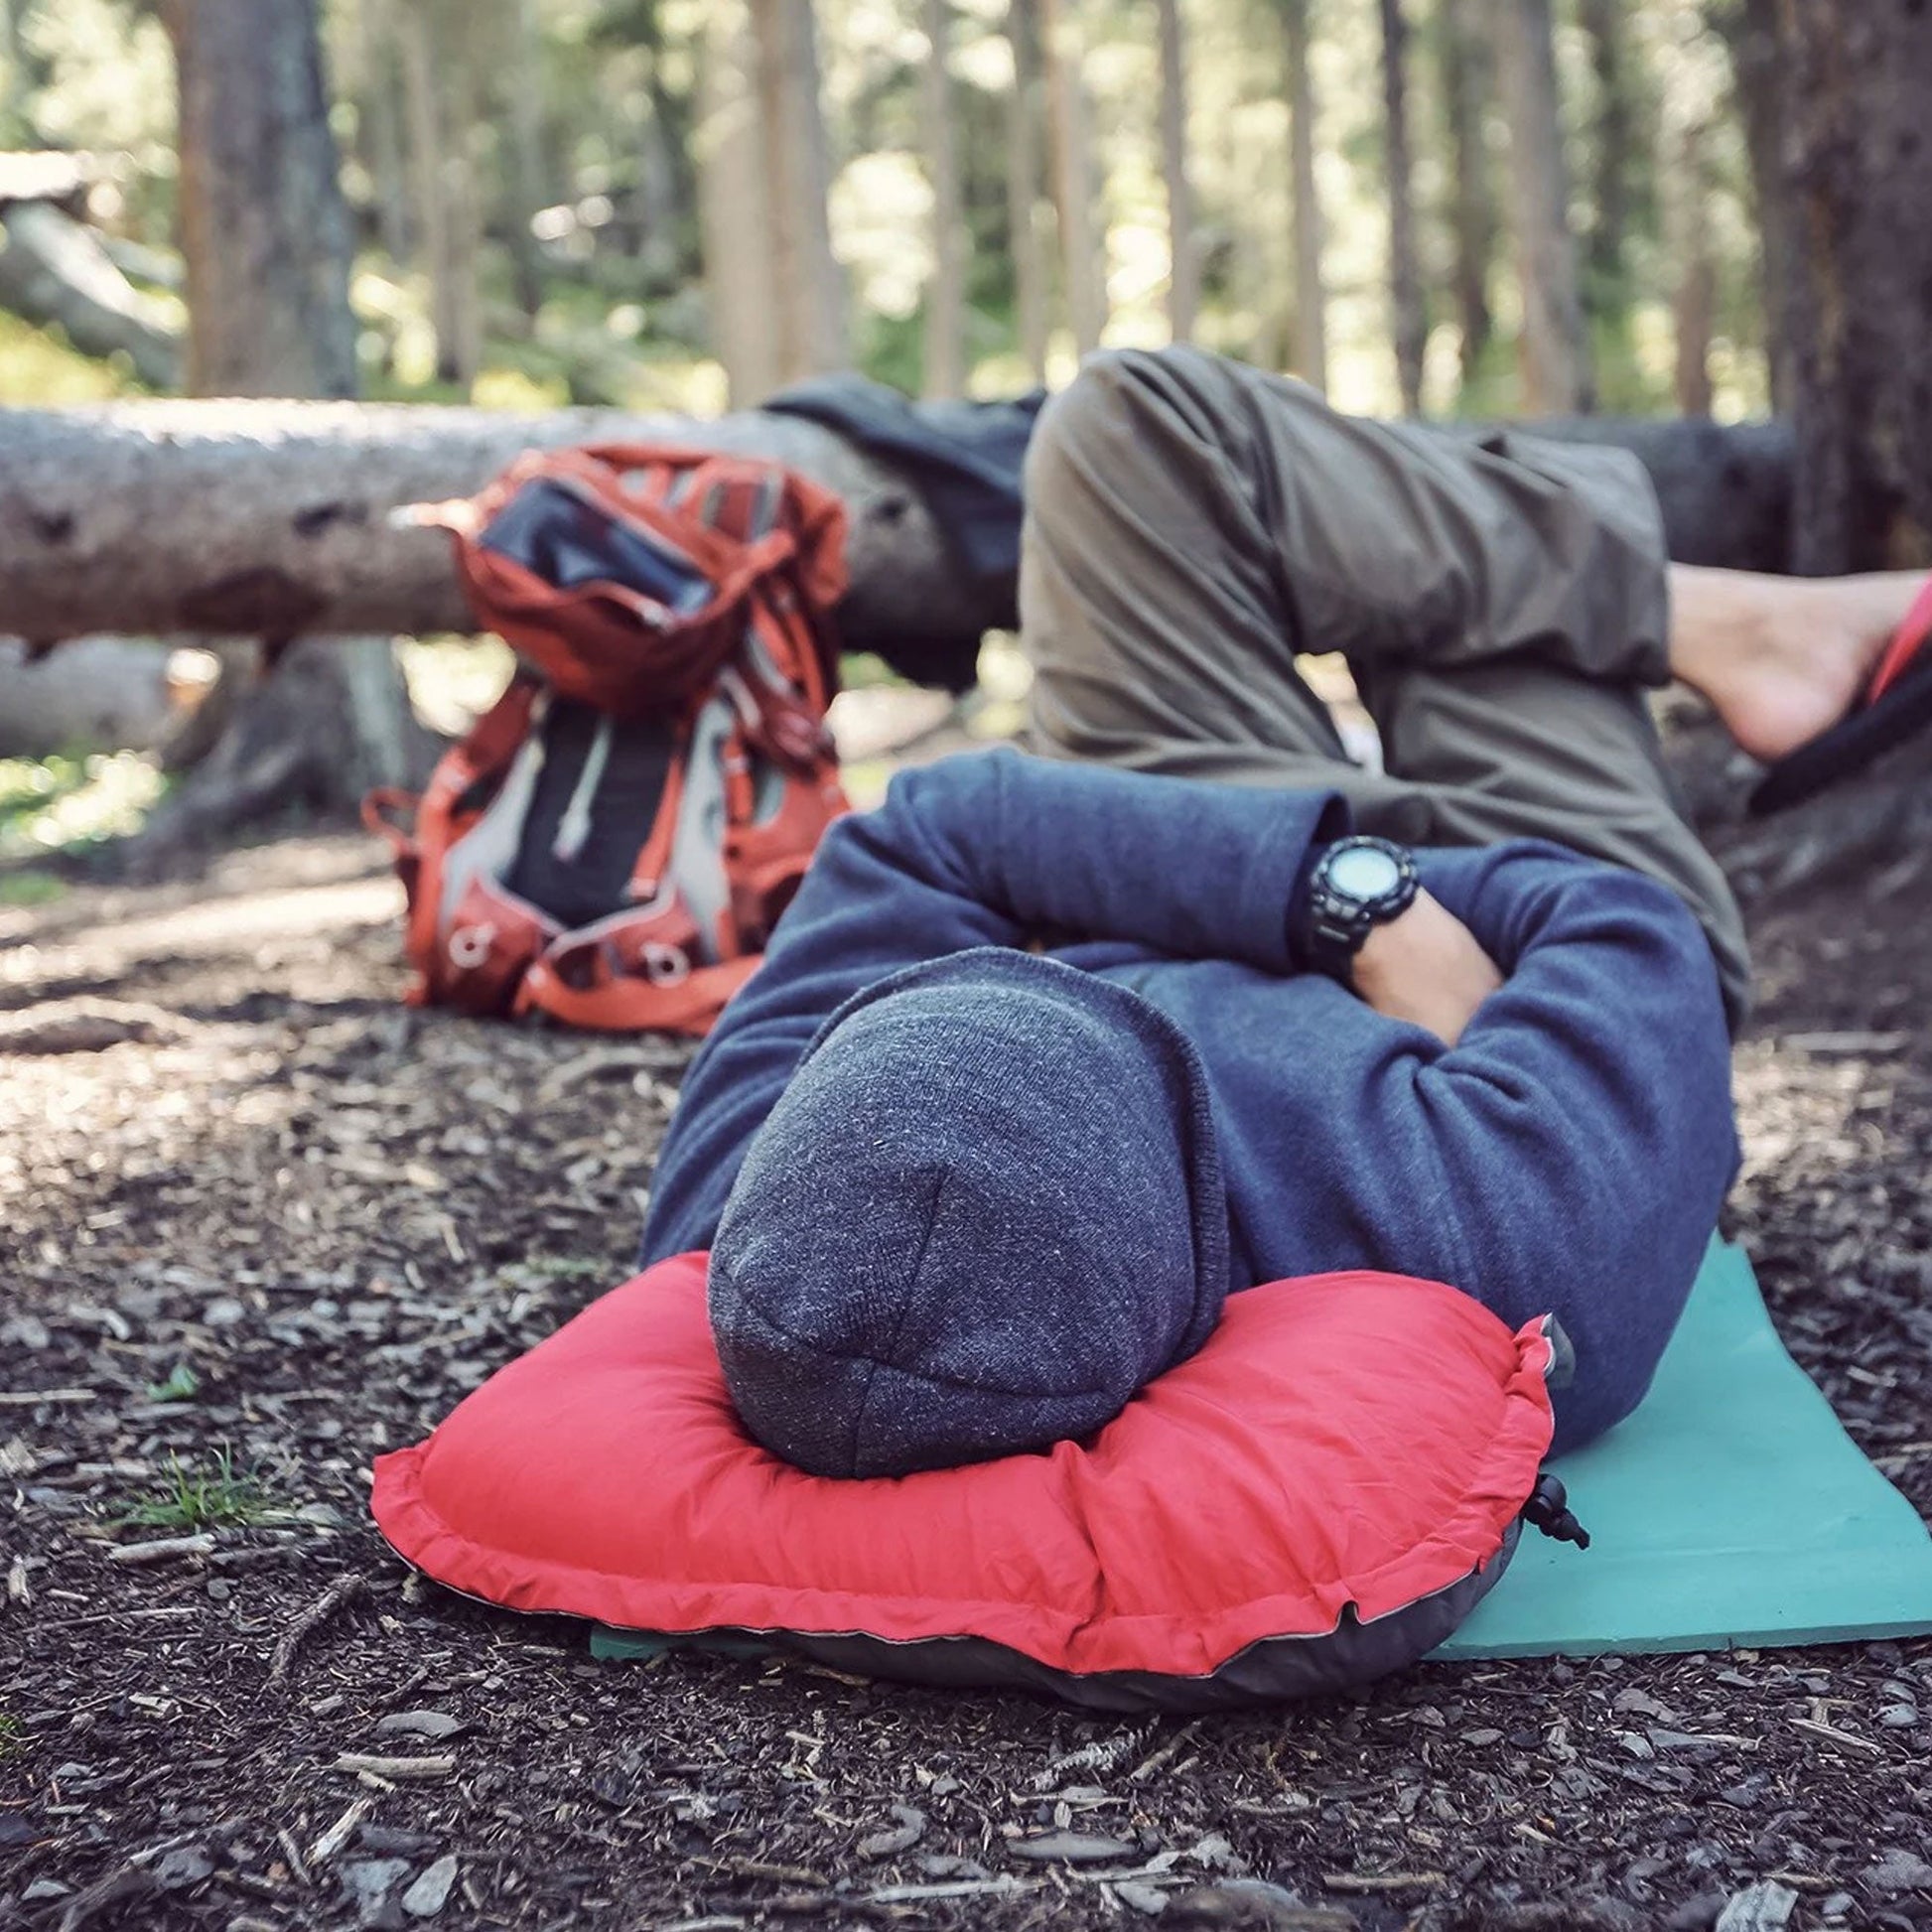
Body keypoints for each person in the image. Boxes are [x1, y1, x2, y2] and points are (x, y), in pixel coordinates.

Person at [639, 346, 1928, 1484]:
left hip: (1250, 878)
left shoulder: (734, 1237)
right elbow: (1621, 929)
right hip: (1532, 957)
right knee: (1480, 612)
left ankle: (1704, 617)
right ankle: (1750, 632)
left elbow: (931, 827)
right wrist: (1395, 904)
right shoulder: (1490, 1254)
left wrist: (1336, 895)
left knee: (1131, 427)